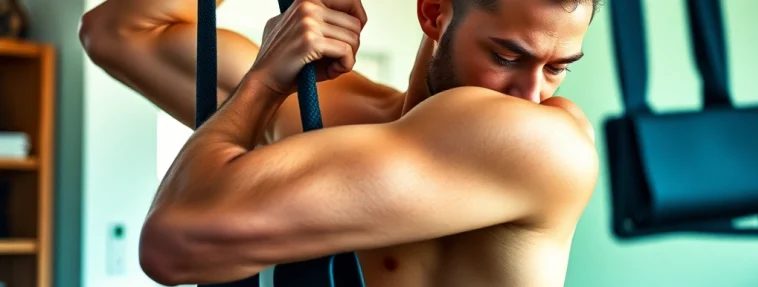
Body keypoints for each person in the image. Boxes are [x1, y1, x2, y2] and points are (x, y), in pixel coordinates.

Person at [78, 0, 600, 285]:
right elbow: (117, 30)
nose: (531, 94)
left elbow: (173, 243)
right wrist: (274, 65)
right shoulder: (332, 110)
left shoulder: (544, 142)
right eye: (507, 57)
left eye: (557, 68)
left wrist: (260, 84)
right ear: (434, 13)